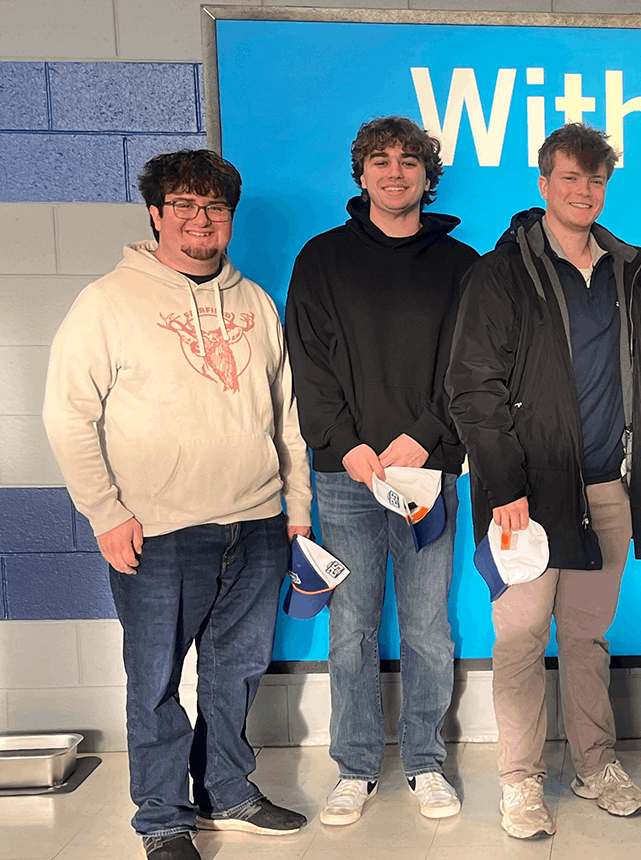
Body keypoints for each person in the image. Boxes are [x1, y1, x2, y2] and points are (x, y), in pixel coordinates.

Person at [42, 150, 312, 860]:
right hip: (157, 534)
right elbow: (68, 415)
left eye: (215, 208)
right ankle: (163, 818)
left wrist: (298, 507)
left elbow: (287, 416)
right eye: (184, 206)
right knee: (155, 681)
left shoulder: (255, 303)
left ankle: (228, 790)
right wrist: (105, 512)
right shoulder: (108, 301)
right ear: (157, 214)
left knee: (237, 671)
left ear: (229, 217)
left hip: (255, 526)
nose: (201, 221)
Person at [446, 123, 641, 839]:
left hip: (607, 487)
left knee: (586, 637)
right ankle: (519, 783)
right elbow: (472, 389)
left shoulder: (627, 271)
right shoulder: (502, 272)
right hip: (526, 495)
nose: (584, 192)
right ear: (544, 184)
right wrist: (505, 484)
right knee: (518, 640)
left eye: (596, 180)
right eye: (570, 178)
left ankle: (595, 764)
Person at [285, 116, 479, 826]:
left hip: (429, 477)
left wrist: (426, 437)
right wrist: (346, 445)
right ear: (360, 173)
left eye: (409, 161)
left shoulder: (464, 266)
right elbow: (307, 365)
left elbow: (473, 368)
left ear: (428, 177)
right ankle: (356, 767)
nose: (395, 171)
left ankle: (425, 762)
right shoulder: (321, 260)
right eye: (380, 160)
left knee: (428, 629)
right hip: (347, 477)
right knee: (351, 629)